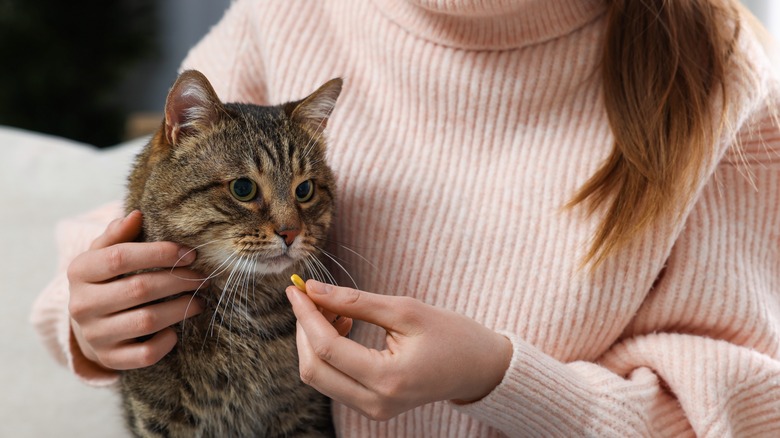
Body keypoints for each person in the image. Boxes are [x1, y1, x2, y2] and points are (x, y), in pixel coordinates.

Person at [32, 0, 780, 436]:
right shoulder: (290, 12)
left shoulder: (724, 71)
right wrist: (93, 314)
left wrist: (499, 378)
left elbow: (744, 415)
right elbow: (152, 200)